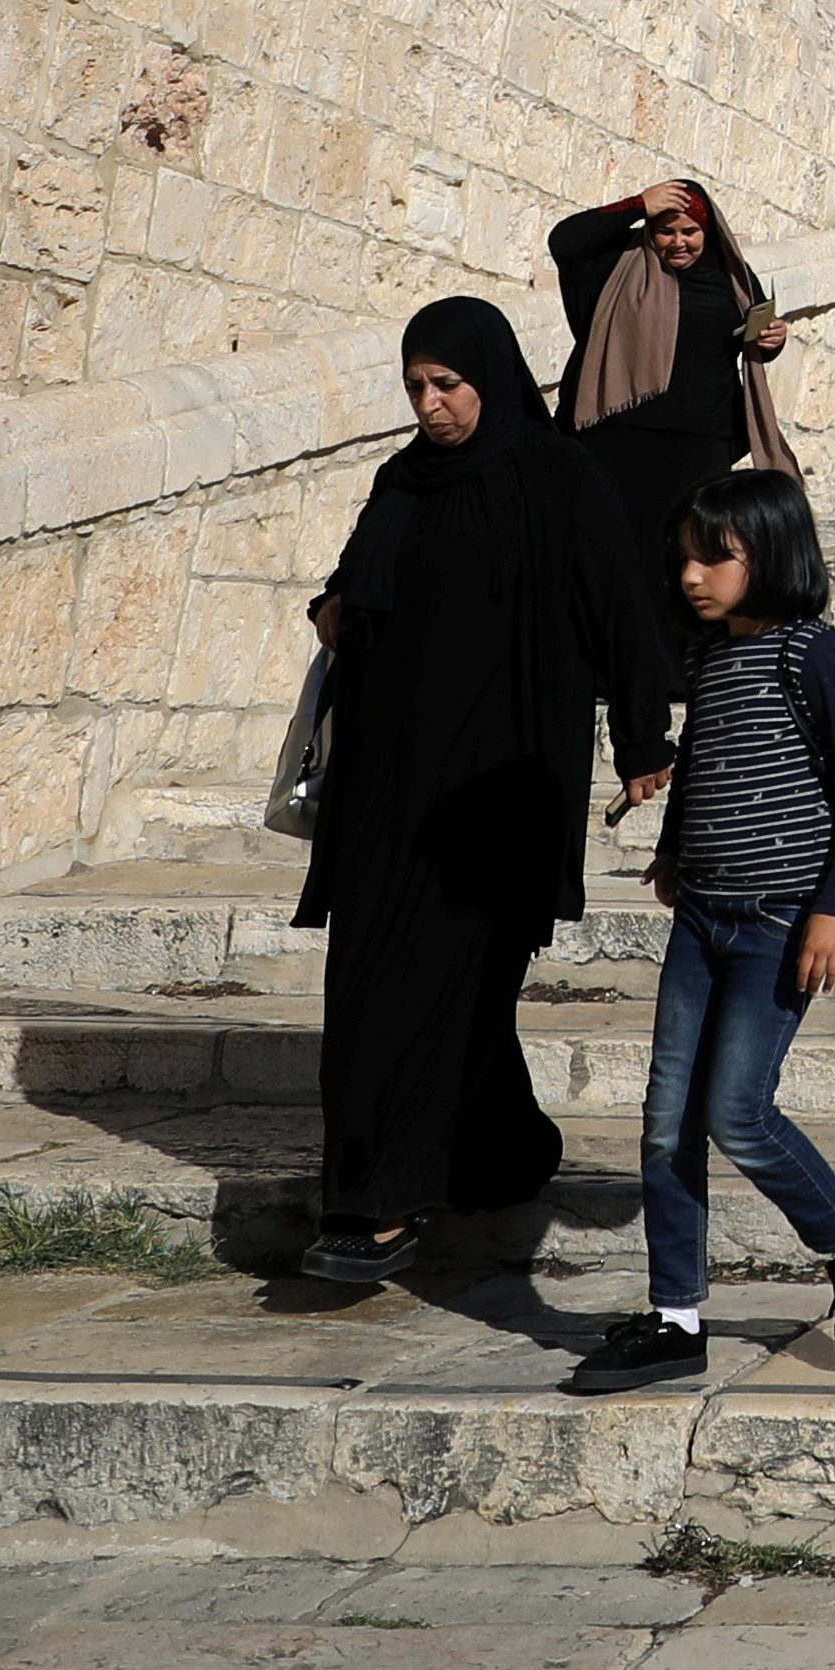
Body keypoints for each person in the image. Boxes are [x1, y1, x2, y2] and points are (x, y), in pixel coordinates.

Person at [294, 298, 672, 1287]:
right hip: (387, 782)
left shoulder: (556, 479)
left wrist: (644, 738)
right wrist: (334, 609)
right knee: (371, 980)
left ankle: (378, 1203)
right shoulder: (401, 479)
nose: (429, 404)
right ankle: (492, 1155)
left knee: (448, 984)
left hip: (500, 790)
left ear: (491, 380)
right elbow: (353, 586)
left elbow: (623, 610)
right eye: (416, 385)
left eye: (447, 385)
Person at [574, 467, 835, 1394]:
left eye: (714, 557)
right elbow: (710, 762)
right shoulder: (713, 659)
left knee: (737, 1114)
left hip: (778, 924)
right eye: (683, 557)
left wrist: (833, 910)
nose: (691, 575)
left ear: (771, 555)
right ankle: (677, 1315)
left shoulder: (812, 654)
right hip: (702, 921)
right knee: (663, 1125)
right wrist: (677, 850)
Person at [551, 182, 793, 647]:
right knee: (615, 549)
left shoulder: (732, 279)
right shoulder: (618, 268)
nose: (677, 242)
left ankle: (677, 664)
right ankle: (609, 659)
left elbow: (753, 335)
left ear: (709, 232)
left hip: (700, 438)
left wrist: (773, 342)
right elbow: (565, 241)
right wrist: (637, 205)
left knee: (687, 553)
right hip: (616, 437)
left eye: (689, 231)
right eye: (664, 232)